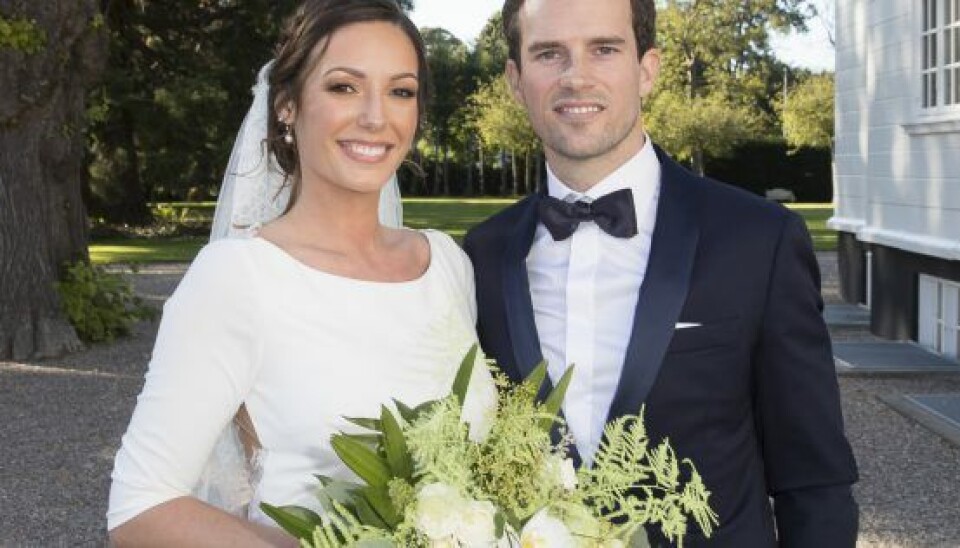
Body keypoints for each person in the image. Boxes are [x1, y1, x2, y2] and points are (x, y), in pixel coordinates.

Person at [463, 0, 859, 545]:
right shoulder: (480, 257)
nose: (576, 76)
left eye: (604, 49)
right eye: (548, 53)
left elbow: (814, 480)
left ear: (647, 69)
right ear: (515, 79)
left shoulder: (758, 240)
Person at [107, 1, 490, 545]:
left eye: (400, 91)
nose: (376, 116)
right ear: (287, 104)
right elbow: (140, 509)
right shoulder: (238, 278)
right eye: (344, 87)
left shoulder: (446, 264)